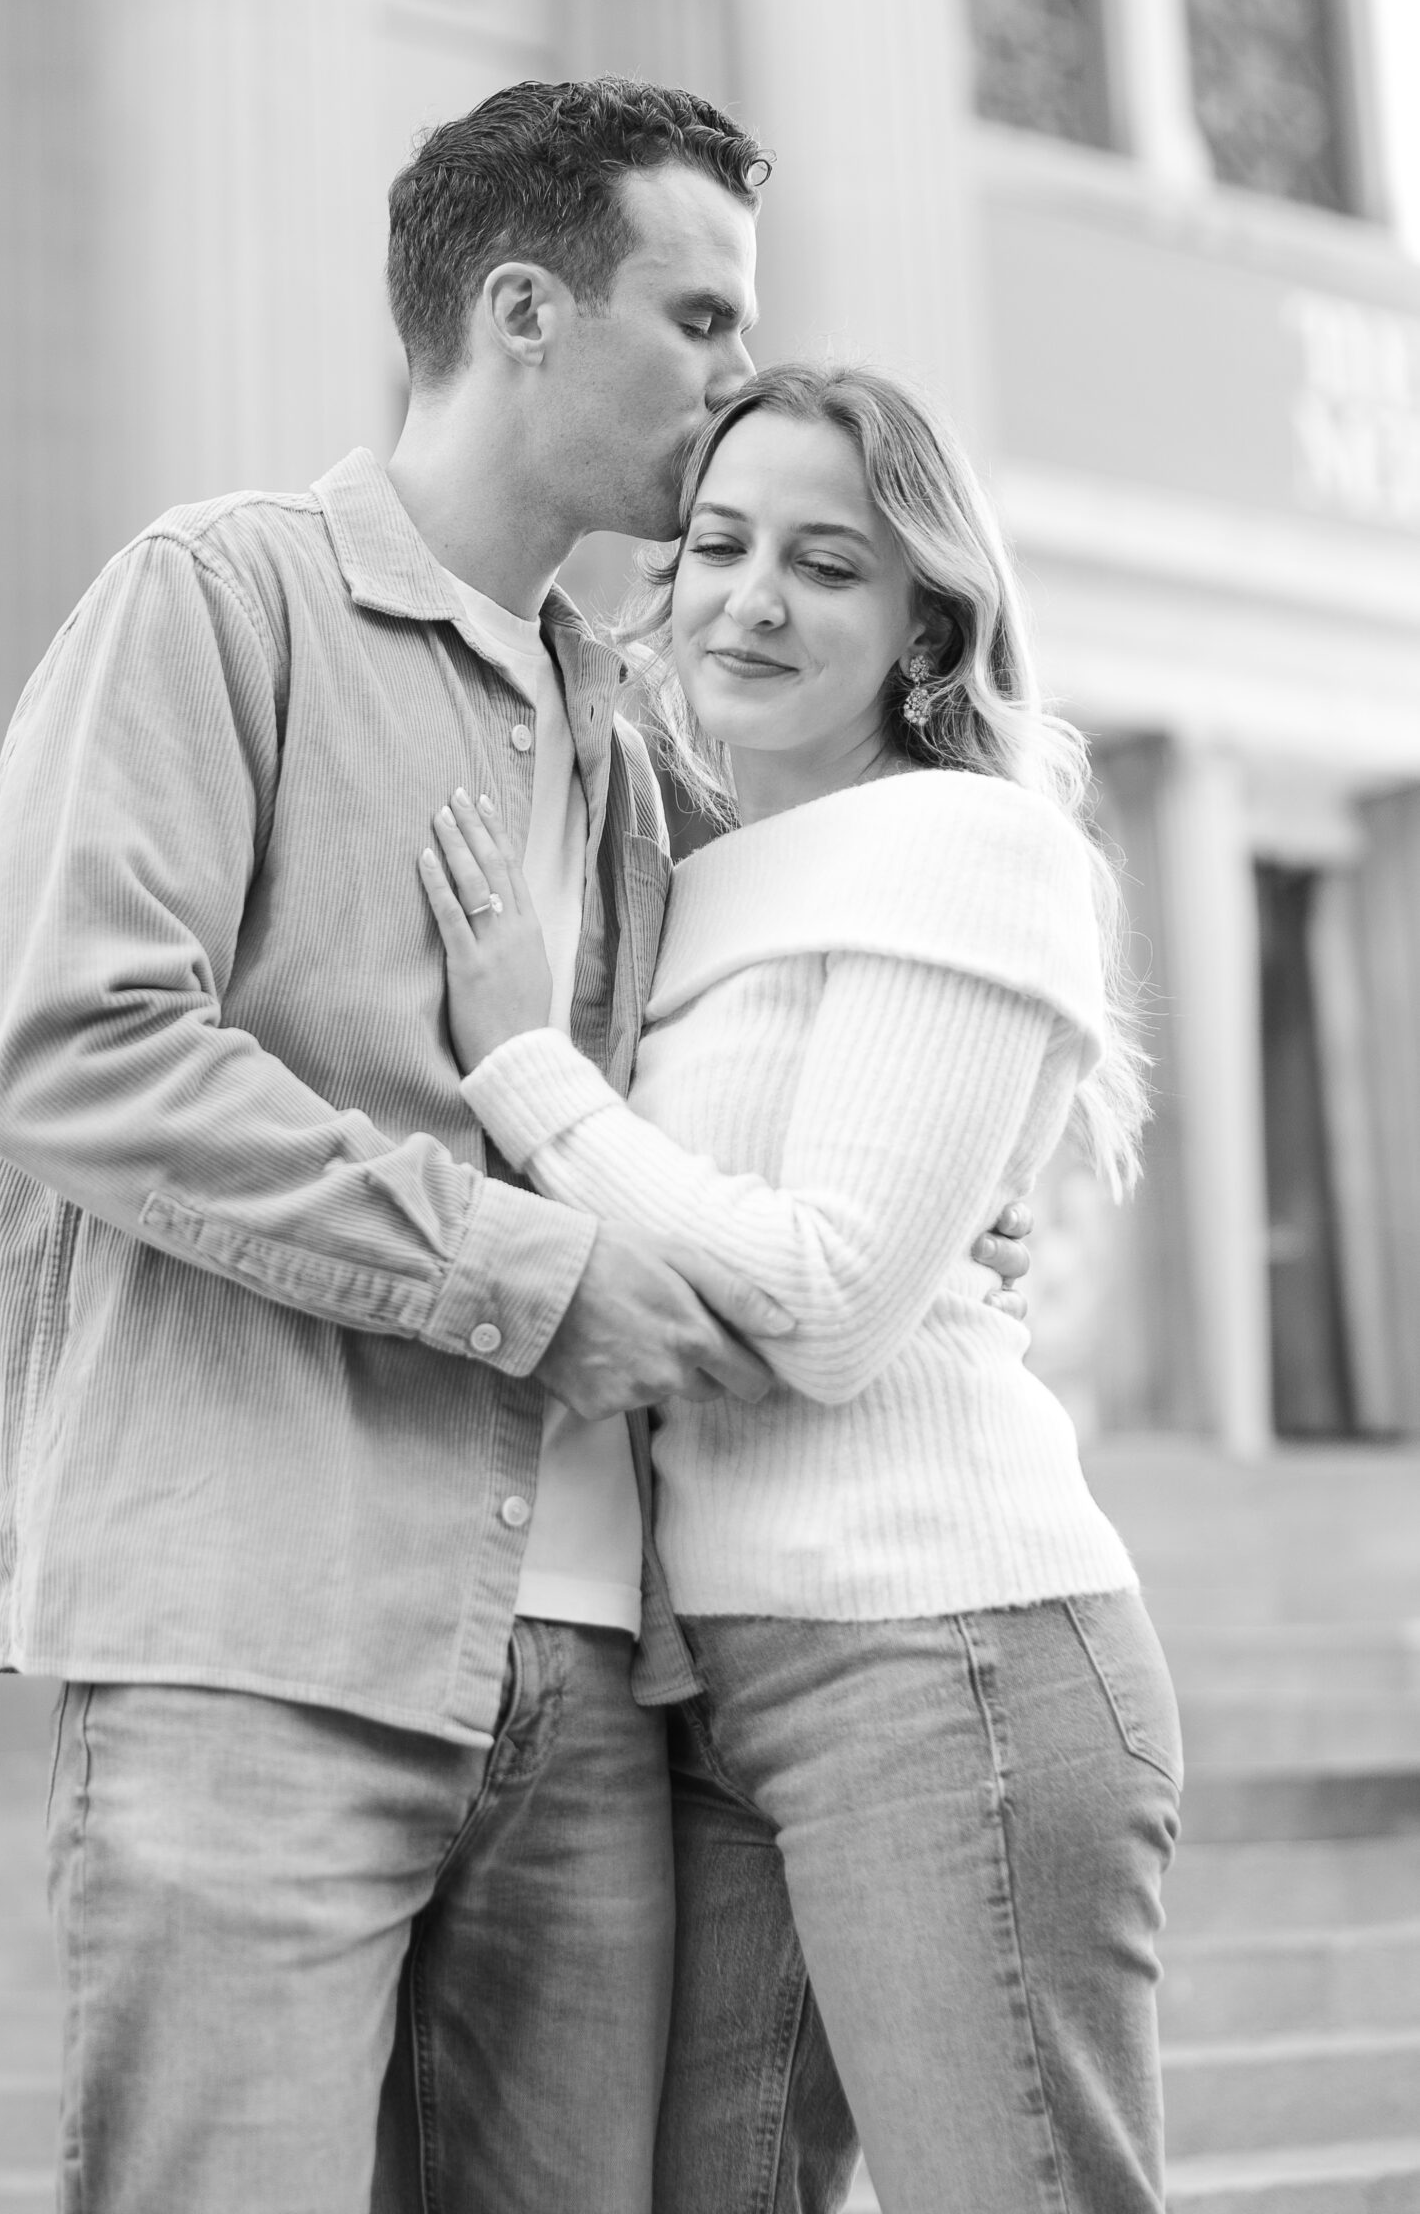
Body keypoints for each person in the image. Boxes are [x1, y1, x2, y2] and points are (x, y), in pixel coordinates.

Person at [0, 79, 1029, 2213]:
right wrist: (522, 1274)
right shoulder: (211, 603)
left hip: (602, 1677)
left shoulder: (629, 728)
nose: (736, 384)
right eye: (699, 319)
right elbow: (75, 1050)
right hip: (258, 1632)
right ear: (522, 307)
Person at [419, 361, 1182, 2214]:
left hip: (949, 1657)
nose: (753, 597)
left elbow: (830, 1305)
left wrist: (525, 1066)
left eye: (828, 563)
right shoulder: (688, 878)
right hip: (711, 1684)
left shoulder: (974, 846)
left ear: (927, 611)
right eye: (719, 544)